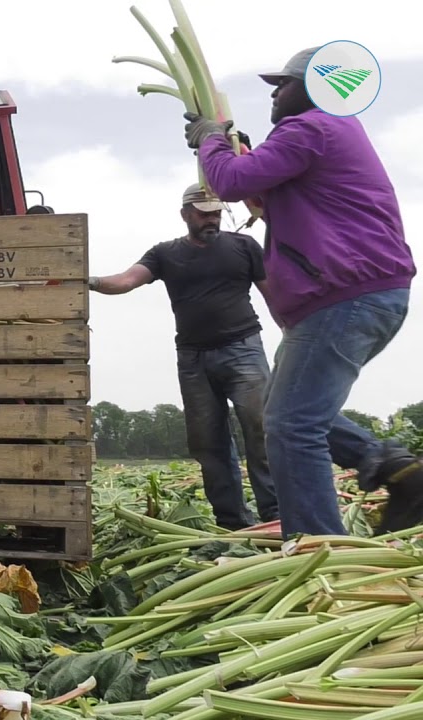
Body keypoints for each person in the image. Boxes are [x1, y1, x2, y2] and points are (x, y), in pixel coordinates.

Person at [185, 46, 421, 537]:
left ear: (315, 88)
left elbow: (230, 183)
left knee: (291, 426)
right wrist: (231, 150)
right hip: (362, 293)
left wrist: (211, 140)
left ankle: (317, 546)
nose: (274, 94)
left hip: (345, 295)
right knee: (288, 410)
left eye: (283, 84)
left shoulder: (312, 127)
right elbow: (261, 194)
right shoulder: (328, 133)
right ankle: (400, 471)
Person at [87, 184, 279, 530]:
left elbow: (273, 293)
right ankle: (232, 522)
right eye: (204, 214)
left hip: (244, 349)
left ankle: (276, 514)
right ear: (185, 214)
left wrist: (293, 332)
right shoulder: (165, 253)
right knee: (208, 443)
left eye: (216, 213)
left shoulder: (244, 246)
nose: (212, 219)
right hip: (193, 360)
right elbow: (127, 280)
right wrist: (89, 281)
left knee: (261, 430)